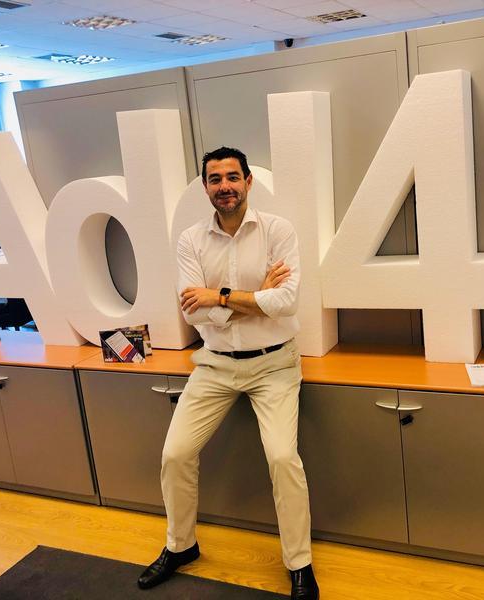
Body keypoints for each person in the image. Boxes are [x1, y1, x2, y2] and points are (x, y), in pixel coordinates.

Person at [137, 147, 319, 599]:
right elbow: (193, 312)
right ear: (205, 187)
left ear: (248, 181)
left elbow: (286, 303)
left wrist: (217, 296)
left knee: (283, 459)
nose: (225, 187)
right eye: (215, 179)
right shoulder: (190, 240)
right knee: (175, 454)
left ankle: (299, 564)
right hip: (215, 365)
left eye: (233, 177)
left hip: (275, 364)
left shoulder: (278, 231)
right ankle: (181, 546)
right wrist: (254, 297)